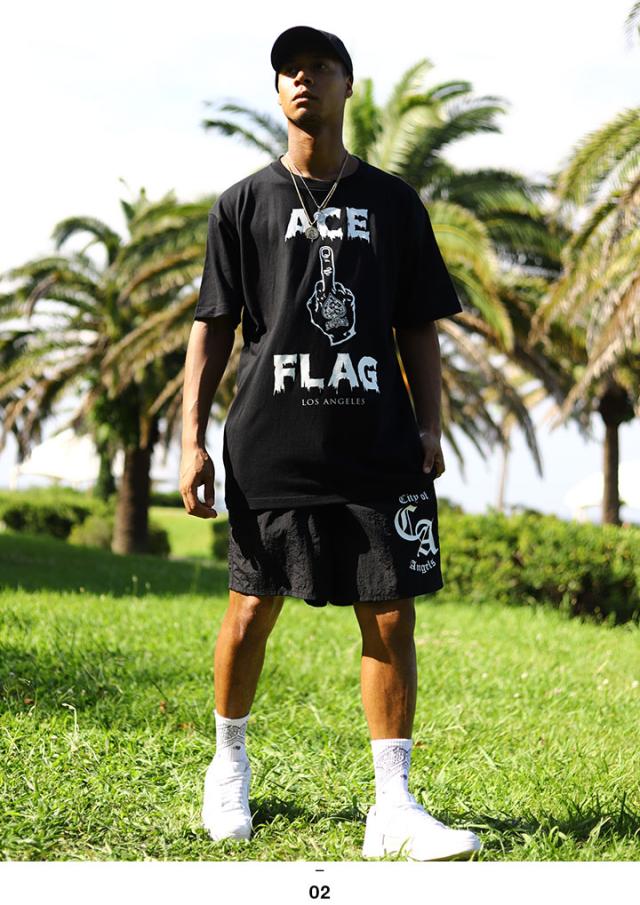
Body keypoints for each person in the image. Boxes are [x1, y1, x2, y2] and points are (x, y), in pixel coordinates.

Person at [179, 25, 482, 861]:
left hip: (377, 441)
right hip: (272, 442)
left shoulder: (393, 203)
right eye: (289, 69)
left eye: (319, 66)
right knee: (251, 607)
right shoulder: (243, 203)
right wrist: (192, 440)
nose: (302, 78)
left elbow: (417, 322)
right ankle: (227, 764)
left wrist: (430, 422)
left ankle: (394, 807)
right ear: (278, 92)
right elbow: (212, 326)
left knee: (390, 611)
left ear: (348, 85)